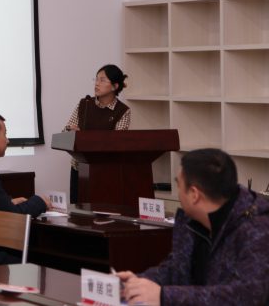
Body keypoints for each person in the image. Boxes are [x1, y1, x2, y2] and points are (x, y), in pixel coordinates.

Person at [117, 149, 269, 306]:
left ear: (194, 194)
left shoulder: (258, 229)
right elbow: (176, 269)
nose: (178, 193)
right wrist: (138, 283)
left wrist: (164, 296)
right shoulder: (192, 220)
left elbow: (247, 296)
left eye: (179, 185)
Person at [64, 63, 130, 203]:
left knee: (103, 211)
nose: (97, 83)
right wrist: (70, 131)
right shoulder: (85, 104)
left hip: (106, 171)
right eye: (96, 79)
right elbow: (65, 132)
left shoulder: (122, 111)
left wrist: (85, 137)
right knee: (77, 211)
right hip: (79, 168)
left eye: (102, 80)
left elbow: (116, 143)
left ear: (115, 86)